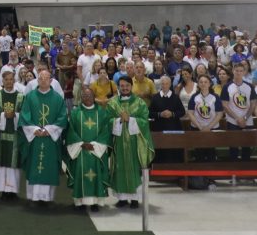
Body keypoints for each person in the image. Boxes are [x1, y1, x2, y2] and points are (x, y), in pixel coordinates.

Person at [18, 69, 68, 203]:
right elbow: (24, 116)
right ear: (37, 80)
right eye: (40, 78)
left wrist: (48, 130)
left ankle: (47, 198)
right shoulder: (30, 96)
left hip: (50, 140)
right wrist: (34, 130)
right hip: (34, 138)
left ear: (51, 80)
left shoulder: (57, 98)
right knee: (34, 165)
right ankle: (33, 197)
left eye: (46, 78)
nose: (43, 80)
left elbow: (62, 118)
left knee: (49, 167)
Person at [107, 76, 154, 208]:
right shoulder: (113, 103)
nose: (125, 88)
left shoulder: (139, 103)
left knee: (134, 169)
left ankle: (134, 199)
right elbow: (107, 121)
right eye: (122, 86)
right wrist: (119, 120)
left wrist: (131, 119)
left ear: (131, 86)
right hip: (119, 142)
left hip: (135, 143)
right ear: (118, 87)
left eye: (127, 85)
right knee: (119, 168)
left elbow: (145, 121)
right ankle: (121, 198)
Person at [65, 86, 111, 211]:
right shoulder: (75, 113)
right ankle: (80, 202)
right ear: (81, 98)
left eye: (90, 96)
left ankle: (95, 202)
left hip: (96, 151)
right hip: (80, 150)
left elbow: (105, 131)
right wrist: (81, 143)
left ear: (94, 97)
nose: (88, 98)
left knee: (96, 174)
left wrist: (95, 145)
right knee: (79, 173)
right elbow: (71, 131)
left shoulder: (101, 113)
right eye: (85, 96)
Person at [0, 69, 24, 198]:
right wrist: (3, 115)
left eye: (11, 79)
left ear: (14, 80)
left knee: (14, 163)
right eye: (6, 80)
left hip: (15, 135)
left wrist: (15, 115)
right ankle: (4, 190)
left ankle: (13, 191)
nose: (9, 82)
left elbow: (25, 116)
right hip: (1, 136)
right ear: (2, 81)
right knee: (2, 162)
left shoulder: (21, 97)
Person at [221, 62, 257, 161]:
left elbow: (253, 103)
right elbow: (225, 104)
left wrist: (245, 118)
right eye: (237, 71)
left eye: (241, 71)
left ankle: (246, 169)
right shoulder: (227, 87)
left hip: (247, 120)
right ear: (233, 71)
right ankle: (234, 168)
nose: (239, 73)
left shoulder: (249, 86)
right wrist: (237, 118)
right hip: (232, 120)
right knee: (233, 146)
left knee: (247, 145)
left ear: (244, 72)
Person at [148, 75, 185, 162]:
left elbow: (182, 112)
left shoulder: (175, 97)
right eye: (163, 84)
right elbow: (149, 113)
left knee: (173, 150)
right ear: (160, 85)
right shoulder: (155, 98)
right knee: (160, 151)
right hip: (159, 129)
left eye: (166, 84)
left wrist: (172, 114)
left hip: (174, 128)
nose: (164, 86)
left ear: (170, 84)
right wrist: (160, 114)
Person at [187, 74, 222, 163]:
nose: (203, 84)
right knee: (199, 153)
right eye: (201, 82)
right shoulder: (194, 97)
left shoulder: (215, 97)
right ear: (198, 84)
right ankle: (199, 174)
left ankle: (211, 174)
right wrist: (200, 127)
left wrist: (208, 127)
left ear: (210, 84)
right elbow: (190, 113)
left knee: (211, 152)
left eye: (205, 82)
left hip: (212, 129)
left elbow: (219, 114)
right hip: (197, 128)